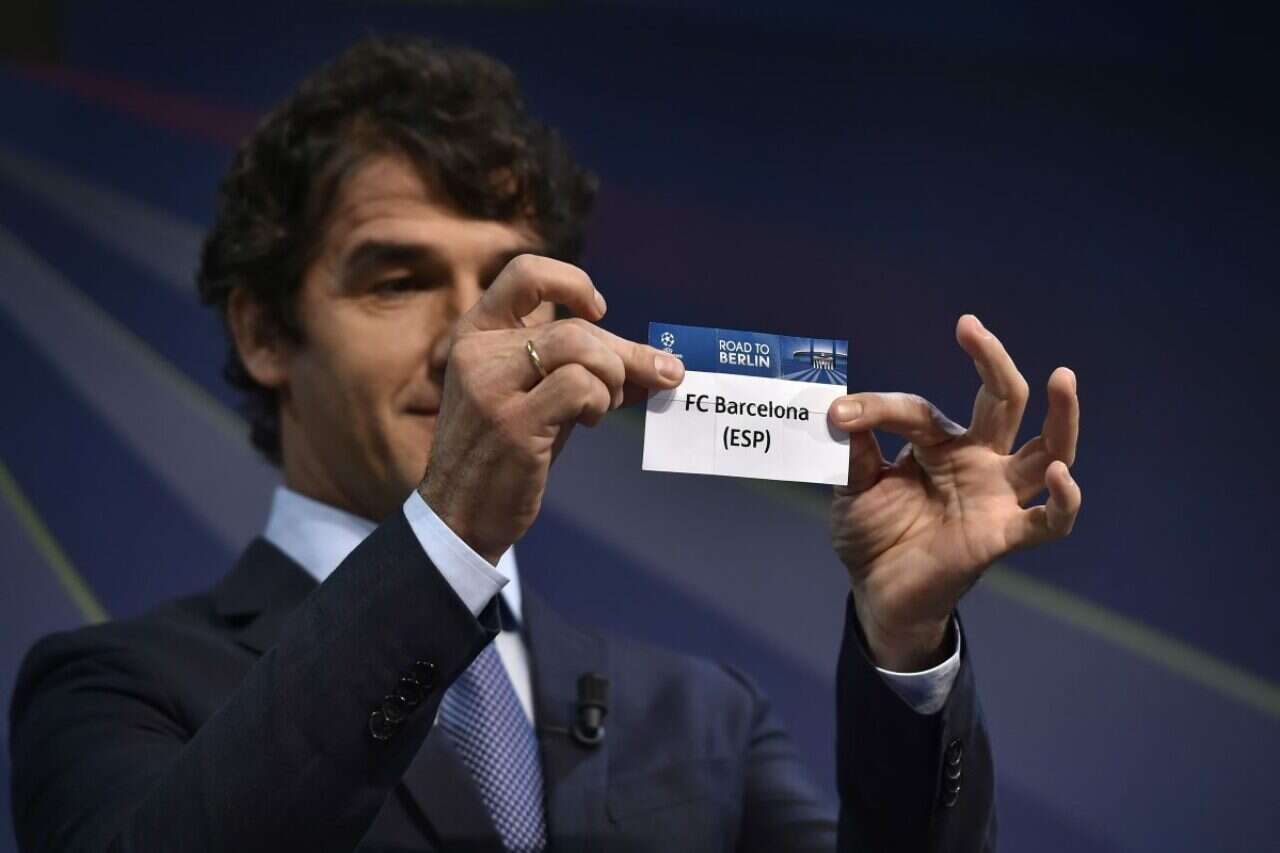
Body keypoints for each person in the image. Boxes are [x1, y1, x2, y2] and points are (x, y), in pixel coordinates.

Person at [8, 35, 1081, 853]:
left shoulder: (699, 713)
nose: (470, 346)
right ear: (263, 331)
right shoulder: (113, 689)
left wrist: (907, 642)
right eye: (398, 281)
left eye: (507, 288)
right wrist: (447, 535)